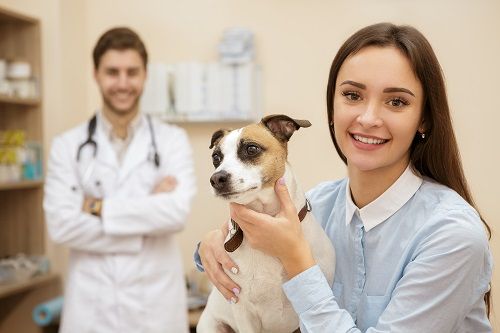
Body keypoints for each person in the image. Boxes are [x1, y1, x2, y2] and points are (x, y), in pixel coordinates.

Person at [197, 23, 493, 332]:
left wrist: (296, 259)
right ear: (332, 108)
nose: (367, 118)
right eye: (352, 95)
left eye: (396, 102)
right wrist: (212, 244)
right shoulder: (318, 206)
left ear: (424, 120)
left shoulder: (452, 237)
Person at [44, 27, 196, 332]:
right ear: (96, 74)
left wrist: (95, 207)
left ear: (145, 75)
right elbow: (61, 225)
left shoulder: (172, 141)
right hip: (91, 308)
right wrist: (148, 212)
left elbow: (176, 214)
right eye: (113, 72)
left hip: (155, 308)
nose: (123, 83)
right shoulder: (67, 146)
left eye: (132, 72)